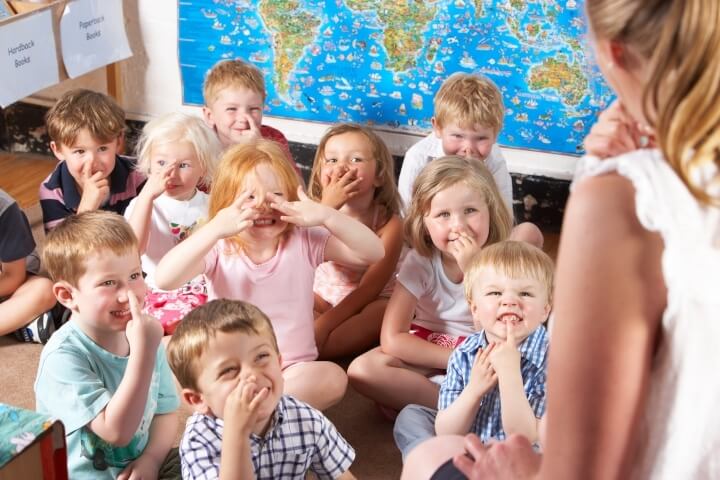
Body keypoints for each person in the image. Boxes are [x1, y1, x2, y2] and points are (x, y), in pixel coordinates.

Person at [405, 0, 720, 478]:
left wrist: (523, 471)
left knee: (428, 455)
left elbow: (580, 461)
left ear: (611, 52)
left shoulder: (625, 195)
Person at [155, 139, 384, 410]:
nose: (264, 206)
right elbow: (164, 279)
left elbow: (373, 253)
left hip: (290, 370)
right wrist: (215, 227)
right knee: (164, 350)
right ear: (226, 204)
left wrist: (325, 215)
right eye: (249, 197)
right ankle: (261, 413)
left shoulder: (304, 239)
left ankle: (246, 413)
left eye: (276, 195)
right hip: (228, 366)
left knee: (332, 378)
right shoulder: (220, 245)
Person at [348, 156, 512, 415]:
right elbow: (392, 339)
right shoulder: (419, 262)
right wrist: (454, 360)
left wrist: (474, 273)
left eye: (470, 210)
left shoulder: (504, 262)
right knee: (363, 370)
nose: (458, 226)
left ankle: (433, 403)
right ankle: (462, 408)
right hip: (431, 348)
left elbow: (498, 333)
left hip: (483, 350)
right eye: (443, 215)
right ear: (424, 223)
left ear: (491, 210)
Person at [34, 211, 180, 479]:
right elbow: (116, 433)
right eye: (109, 283)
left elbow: (166, 412)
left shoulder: (144, 334)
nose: (128, 295)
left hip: (144, 464)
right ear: (67, 295)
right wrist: (144, 352)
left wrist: (151, 460)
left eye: (136, 275)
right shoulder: (62, 358)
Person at [395, 240, 552, 463]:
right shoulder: (466, 352)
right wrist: (473, 390)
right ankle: (441, 466)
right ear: (475, 309)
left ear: (545, 310)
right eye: (495, 293)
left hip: (524, 455)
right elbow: (448, 431)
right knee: (411, 416)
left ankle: (443, 466)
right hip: (472, 442)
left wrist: (510, 376)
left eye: (525, 294)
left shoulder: (551, 360)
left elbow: (526, 436)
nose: (509, 301)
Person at [167, 299, 357, 479]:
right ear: (198, 399)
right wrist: (237, 433)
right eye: (229, 369)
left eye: (261, 357)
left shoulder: (305, 418)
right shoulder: (199, 441)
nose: (252, 374)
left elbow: (343, 477)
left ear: (279, 362)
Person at [398, 73, 542, 247]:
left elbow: (504, 216)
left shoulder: (494, 160)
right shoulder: (418, 157)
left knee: (529, 233)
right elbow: (406, 216)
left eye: (481, 138)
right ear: (438, 127)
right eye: (458, 136)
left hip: (478, 237)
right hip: (433, 241)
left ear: (496, 134)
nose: (468, 148)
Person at [308, 123, 404, 359]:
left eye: (356, 160)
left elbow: (370, 289)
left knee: (383, 311)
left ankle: (325, 344)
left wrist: (326, 325)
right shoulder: (313, 211)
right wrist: (327, 209)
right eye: (331, 160)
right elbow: (294, 255)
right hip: (322, 294)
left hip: (368, 300)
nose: (341, 168)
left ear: (379, 175)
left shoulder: (390, 224)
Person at [124, 112, 223, 334]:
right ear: (149, 165)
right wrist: (146, 198)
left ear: (204, 168)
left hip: (204, 287)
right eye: (161, 162)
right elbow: (132, 252)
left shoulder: (213, 205)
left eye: (184, 165)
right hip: (157, 291)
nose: (171, 173)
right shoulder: (141, 206)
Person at [39, 88, 145, 232]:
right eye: (80, 151)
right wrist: (86, 209)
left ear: (118, 142)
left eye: (102, 149)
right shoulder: (53, 189)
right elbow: (62, 253)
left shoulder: (139, 174)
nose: (92, 162)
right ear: (58, 150)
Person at [201, 58, 300, 177]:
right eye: (232, 109)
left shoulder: (273, 138)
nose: (244, 119)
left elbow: (297, 189)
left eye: (253, 109)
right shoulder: (200, 146)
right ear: (210, 116)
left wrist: (260, 149)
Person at [0, 189, 58, 343]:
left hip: (9, 278)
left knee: (44, 290)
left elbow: (13, 277)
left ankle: (17, 319)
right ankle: (19, 323)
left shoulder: (5, 208)